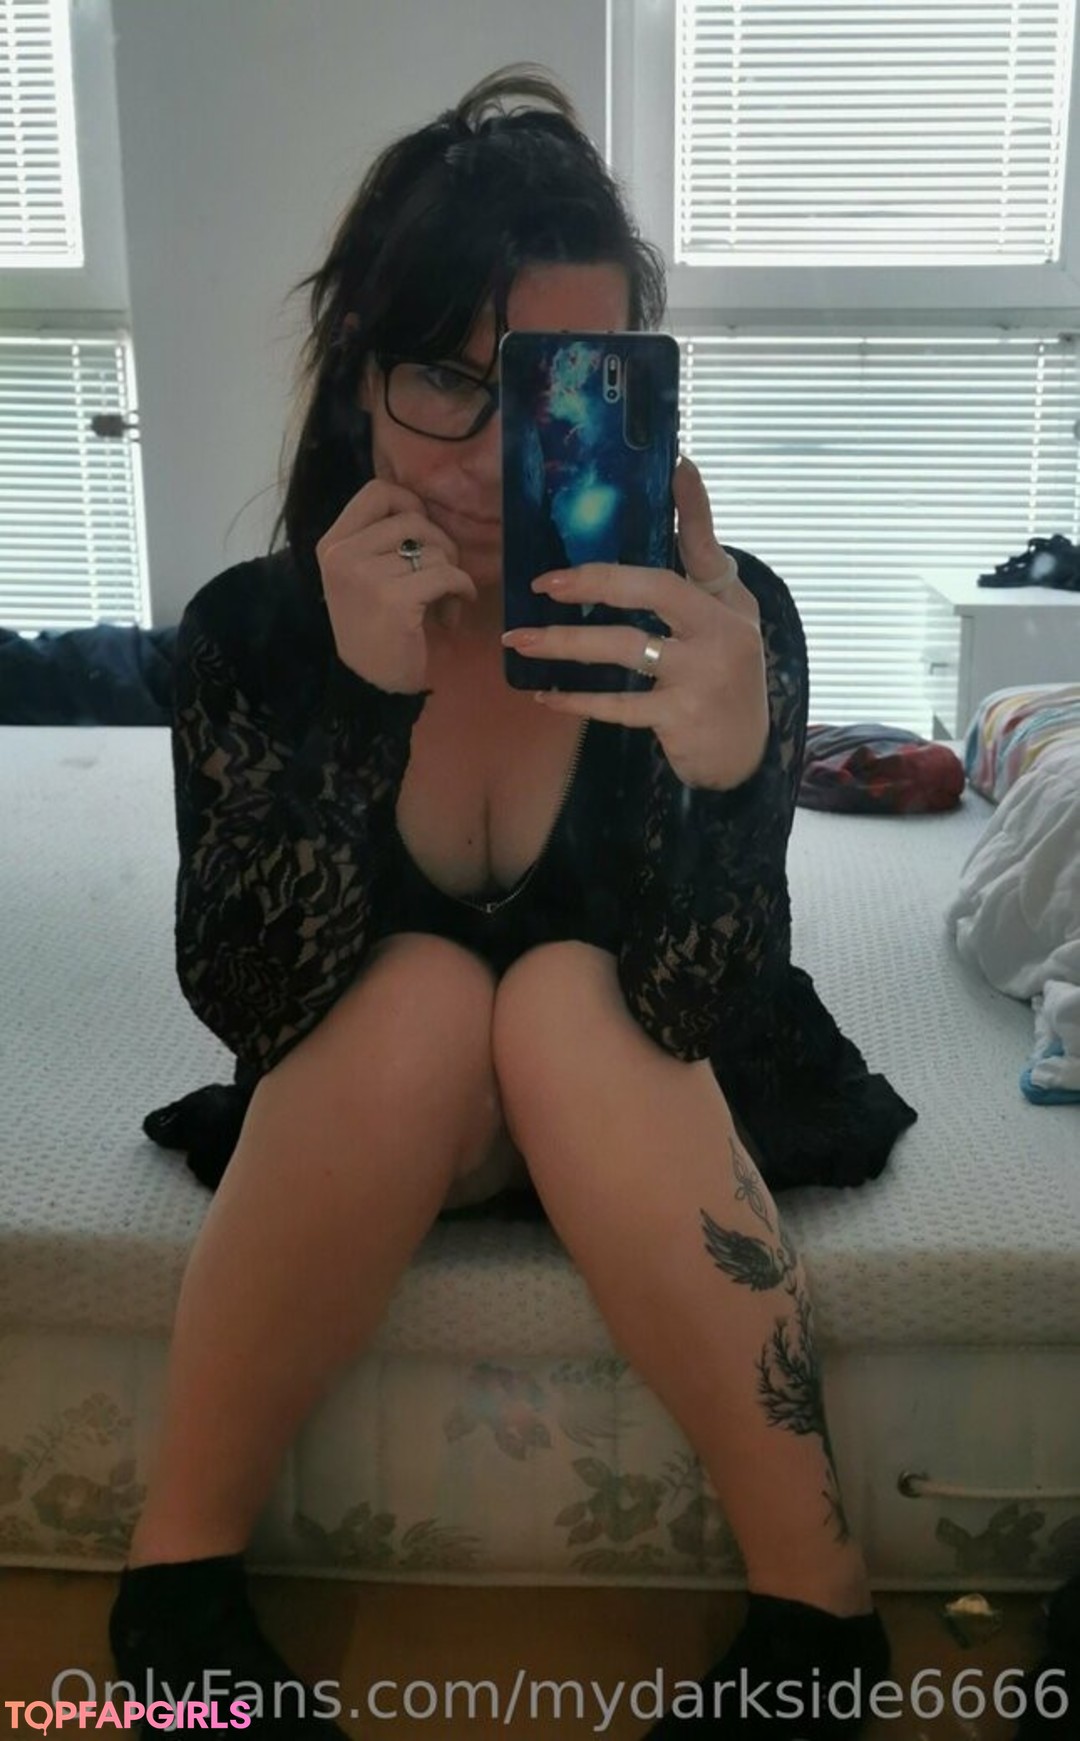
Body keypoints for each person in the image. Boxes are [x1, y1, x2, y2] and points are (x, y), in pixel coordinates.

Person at [110, 65, 919, 1739]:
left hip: (635, 1102)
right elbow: (252, 1001)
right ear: (358, 375)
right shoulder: (255, 633)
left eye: (560, 386)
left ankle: (817, 1617)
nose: (493, 455)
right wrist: (355, 703)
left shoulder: (718, 623)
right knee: (419, 992)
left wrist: (724, 767)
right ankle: (172, 1597)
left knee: (558, 995)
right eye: (443, 379)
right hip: (382, 1098)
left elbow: (695, 1007)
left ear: (634, 390)